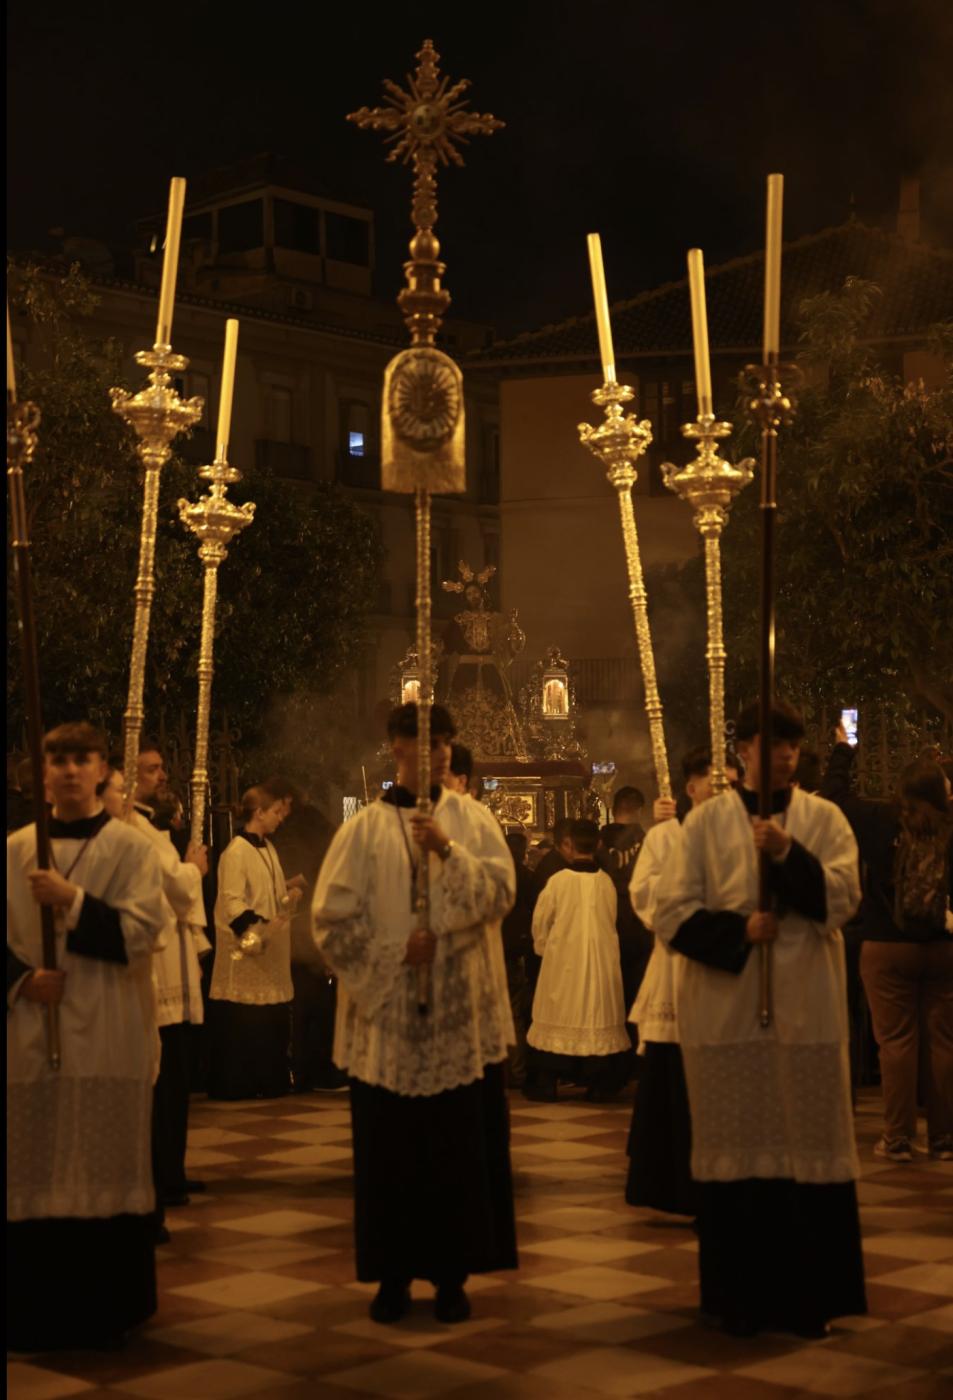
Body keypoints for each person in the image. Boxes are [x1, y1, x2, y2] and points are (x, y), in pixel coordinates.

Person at [653, 701, 865, 1338]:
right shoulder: (706, 823)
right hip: (730, 1015)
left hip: (804, 1011)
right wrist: (741, 928)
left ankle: (809, 1301)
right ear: (741, 749)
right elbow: (671, 913)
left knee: (806, 1146)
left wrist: (789, 854)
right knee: (739, 1152)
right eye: (769, 744)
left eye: (792, 746)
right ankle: (737, 1298)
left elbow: (843, 899)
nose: (782, 755)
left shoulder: (824, 819)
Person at [312, 702, 517, 1325]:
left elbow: (501, 894)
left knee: (457, 1158)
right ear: (395, 749)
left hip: (456, 1018)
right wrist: (396, 951)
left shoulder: (474, 821)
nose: (435, 753)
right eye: (421, 742)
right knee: (390, 1160)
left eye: (443, 742)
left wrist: (449, 852)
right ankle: (392, 1278)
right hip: (389, 1024)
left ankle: (453, 1279)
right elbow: (331, 922)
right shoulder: (362, 831)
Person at [7, 722, 165, 1352]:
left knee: (100, 1163)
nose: (70, 770)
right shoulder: (15, 848)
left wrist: (71, 900)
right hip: (30, 1031)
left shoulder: (131, 850)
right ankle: (30, 1310)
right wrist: (22, 981)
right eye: (58, 759)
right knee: (35, 1162)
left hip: (106, 1028)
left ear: (101, 770)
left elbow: (142, 933)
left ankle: (107, 1311)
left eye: (82, 759)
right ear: (41, 772)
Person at [823, 733, 953, 1160]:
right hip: (942, 947)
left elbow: (835, 797)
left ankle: (898, 1137)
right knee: (942, 1042)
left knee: (895, 1042)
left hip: (885, 945)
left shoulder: (880, 820)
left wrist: (844, 749)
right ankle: (943, 1137)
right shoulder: (949, 828)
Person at [625, 748, 738, 1219]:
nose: (722, 794)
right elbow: (643, 894)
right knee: (675, 1080)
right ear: (691, 789)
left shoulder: (743, 835)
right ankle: (675, 1185)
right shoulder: (665, 837)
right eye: (715, 785)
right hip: (678, 966)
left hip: (730, 971)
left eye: (731, 784)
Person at [100, 765, 211, 1211]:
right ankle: (159, 1181)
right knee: (158, 1085)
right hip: (150, 966)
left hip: (168, 957)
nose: (158, 778)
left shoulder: (142, 825)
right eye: (143, 772)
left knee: (172, 1082)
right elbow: (177, 885)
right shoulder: (131, 830)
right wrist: (193, 868)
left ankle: (171, 1173)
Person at [527, 818, 630, 1102]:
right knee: (594, 1011)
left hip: (563, 960)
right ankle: (599, 1083)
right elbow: (612, 919)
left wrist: (545, 949)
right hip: (600, 959)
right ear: (597, 845)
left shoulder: (558, 882)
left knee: (560, 1012)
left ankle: (548, 1082)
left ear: (569, 845)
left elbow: (540, 921)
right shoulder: (606, 882)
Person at [207, 785, 299, 1099]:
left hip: (270, 950)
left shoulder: (268, 848)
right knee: (247, 1022)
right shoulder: (235, 851)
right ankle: (240, 1084)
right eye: (275, 812)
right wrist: (259, 930)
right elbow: (232, 902)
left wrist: (288, 895)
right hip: (246, 950)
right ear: (258, 812)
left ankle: (270, 1079)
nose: (279, 819)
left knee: (270, 1020)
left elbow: (267, 893)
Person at [599, 785, 652, 1018]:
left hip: (603, 917)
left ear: (614, 808)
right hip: (637, 920)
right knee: (636, 985)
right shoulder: (647, 841)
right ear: (639, 810)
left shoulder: (597, 843)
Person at [501, 829, 535, 1087]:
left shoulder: (496, 874)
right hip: (515, 949)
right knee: (514, 1013)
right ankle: (519, 1071)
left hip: (495, 947)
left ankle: (496, 1069)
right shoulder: (526, 876)